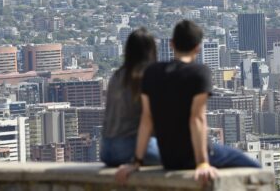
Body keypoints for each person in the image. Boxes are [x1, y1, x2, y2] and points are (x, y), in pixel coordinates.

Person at [115, 20, 260, 185]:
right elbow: (197, 119)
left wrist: (137, 161)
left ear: (171, 44)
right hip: (194, 156)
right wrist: (202, 162)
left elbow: (146, 120)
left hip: (169, 158)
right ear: (198, 48)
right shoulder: (199, 73)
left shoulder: (152, 72)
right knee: (256, 169)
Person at [101, 27, 160, 167]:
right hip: (131, 149)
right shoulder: (148, 76)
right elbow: (151, 118)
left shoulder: (116, 76)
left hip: (107, 150)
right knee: (183, 154)